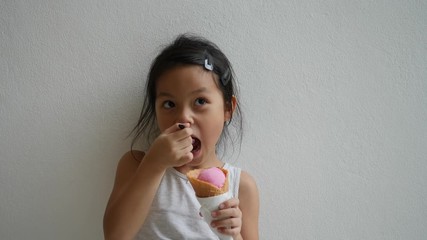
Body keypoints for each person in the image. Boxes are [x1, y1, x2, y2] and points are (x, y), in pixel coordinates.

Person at [103, 34, 259, 240]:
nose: (184, 117)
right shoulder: (136, 165)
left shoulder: (241, 185)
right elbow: (115, 235)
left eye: (200, 101)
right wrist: (154, 164)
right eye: (169, 104)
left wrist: (234, 233)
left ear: (228, 108)